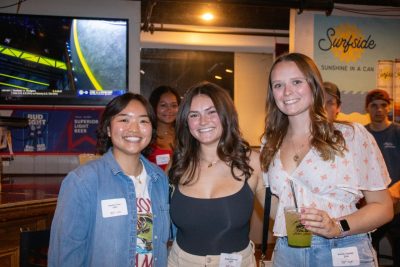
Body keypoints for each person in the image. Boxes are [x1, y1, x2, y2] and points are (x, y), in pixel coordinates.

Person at [260, 52, 393, 267]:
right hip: (288, 252)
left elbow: (383, 207)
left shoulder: (350, 136)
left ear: (314, 85)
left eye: (296, 82)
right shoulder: (270, 142)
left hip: (343, 249)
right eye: (278, 85)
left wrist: (337, 226)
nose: (287, 92)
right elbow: (276, 202)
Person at [48, 93, 170, 267]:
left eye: (143, 121)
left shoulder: (159, 179)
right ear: (108, 129)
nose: (134, 129)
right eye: (124, 120)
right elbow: (65, 255)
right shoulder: (83, 181)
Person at [168, 81, 265, 267]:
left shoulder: (252, 162)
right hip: (180, 262)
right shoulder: (178, 163)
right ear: (186, 122)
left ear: (226, 115)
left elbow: (283, 213)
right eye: (194, 115)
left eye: (211, 112)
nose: (203, 121)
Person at [364, 88, 400, 265]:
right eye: (374, 106)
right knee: (368, 252)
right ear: (367, 108)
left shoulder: (397, 132)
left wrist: (395, 191)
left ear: (389, 108)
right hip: (369, 207)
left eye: (383, 105)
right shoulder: (360, 135)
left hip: (398, 207)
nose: (379, 110)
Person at [147, 85, 181, 170]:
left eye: (174, 105)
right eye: (163, 105)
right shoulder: (146, 135)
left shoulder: (184, 134)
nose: (169, 110)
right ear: (154, 107)